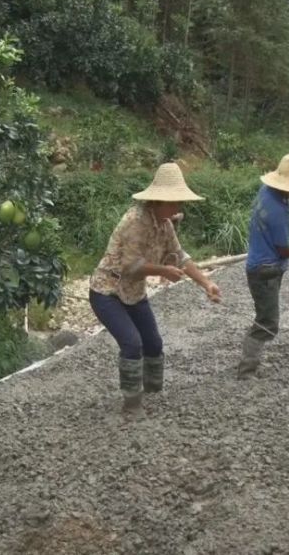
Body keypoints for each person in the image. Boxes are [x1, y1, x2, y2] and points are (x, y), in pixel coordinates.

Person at [89, 163, 222, 414]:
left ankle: (153, 393)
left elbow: (180, 256)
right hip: (108, 290)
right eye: (174, 202)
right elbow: (130, 266)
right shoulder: (135, 221)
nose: (178, 208)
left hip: (134, 291)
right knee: (132, 343)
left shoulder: (165, 224)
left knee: (153, 343)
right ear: (158, 201)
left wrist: (206, 283)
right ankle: (132, 404)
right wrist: (163, 271)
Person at [236, 154, 289, 379]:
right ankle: (247, 368)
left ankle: (249, 363)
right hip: (265, 270)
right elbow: (284, 248)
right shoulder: (277, 211)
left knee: (264, 316)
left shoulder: (266, 192)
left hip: (260, 266)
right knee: (268, 322)